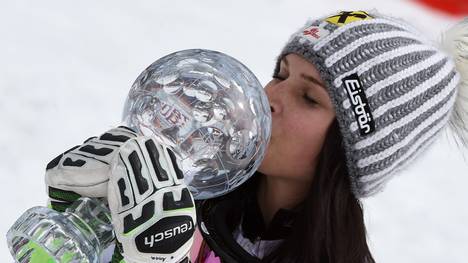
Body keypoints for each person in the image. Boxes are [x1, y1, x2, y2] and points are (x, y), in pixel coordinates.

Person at [44, 10, 468, 263]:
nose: (268, 98)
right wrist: (90, 228)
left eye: (308, 97)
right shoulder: (186, 208)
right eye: (279, 74)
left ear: (353, 152)